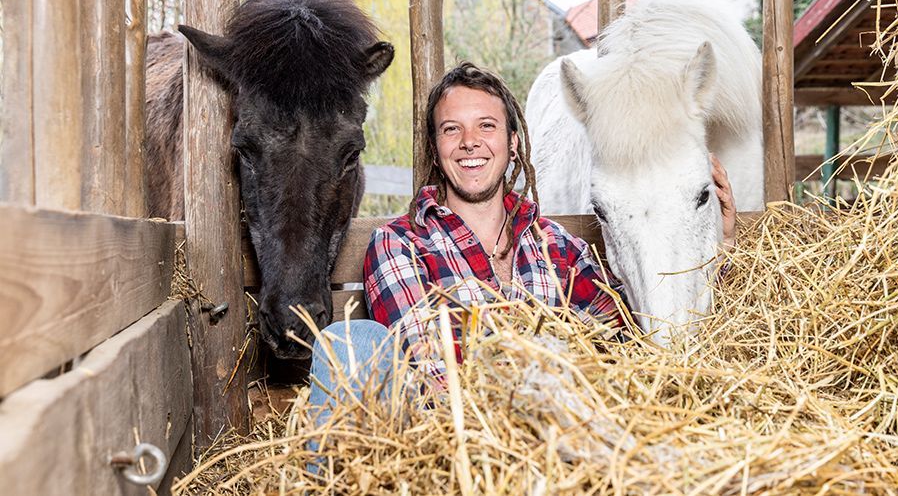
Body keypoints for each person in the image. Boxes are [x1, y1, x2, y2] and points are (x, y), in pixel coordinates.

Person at [307, 62, 737, 414]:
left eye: (486, 126)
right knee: (351, 341)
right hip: (461, 452)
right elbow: (432, 379)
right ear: (436, 149)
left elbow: (634, 352)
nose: (470, 142)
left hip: (563, 447)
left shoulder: (560, 249)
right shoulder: (402, 243)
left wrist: (721, 248)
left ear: (513, 143)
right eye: (451, 129)